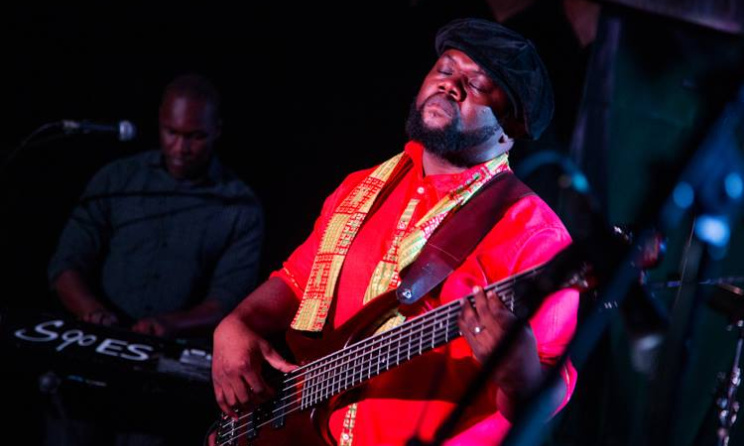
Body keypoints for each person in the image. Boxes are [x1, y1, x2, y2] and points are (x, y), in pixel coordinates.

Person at [211, 18, 578, 445]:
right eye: (445, 69)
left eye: (477, 84)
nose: (450, 85)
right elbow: (297, 280)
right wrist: (236, 323)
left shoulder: (534, 234)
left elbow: (549, 389)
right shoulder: (362, 187)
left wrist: (521, 375)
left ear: (511, 127)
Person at [45, 74, 264, 445]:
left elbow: (228, 301)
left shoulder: (239, 206)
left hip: (164, 382)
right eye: (171, 132)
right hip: (88, 364)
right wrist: (91, 311)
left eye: (195, 136)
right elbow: (65, 264)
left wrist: (167, 325)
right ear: (159, 123)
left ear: (216, 131)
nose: (181, 147)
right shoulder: (117, 180)